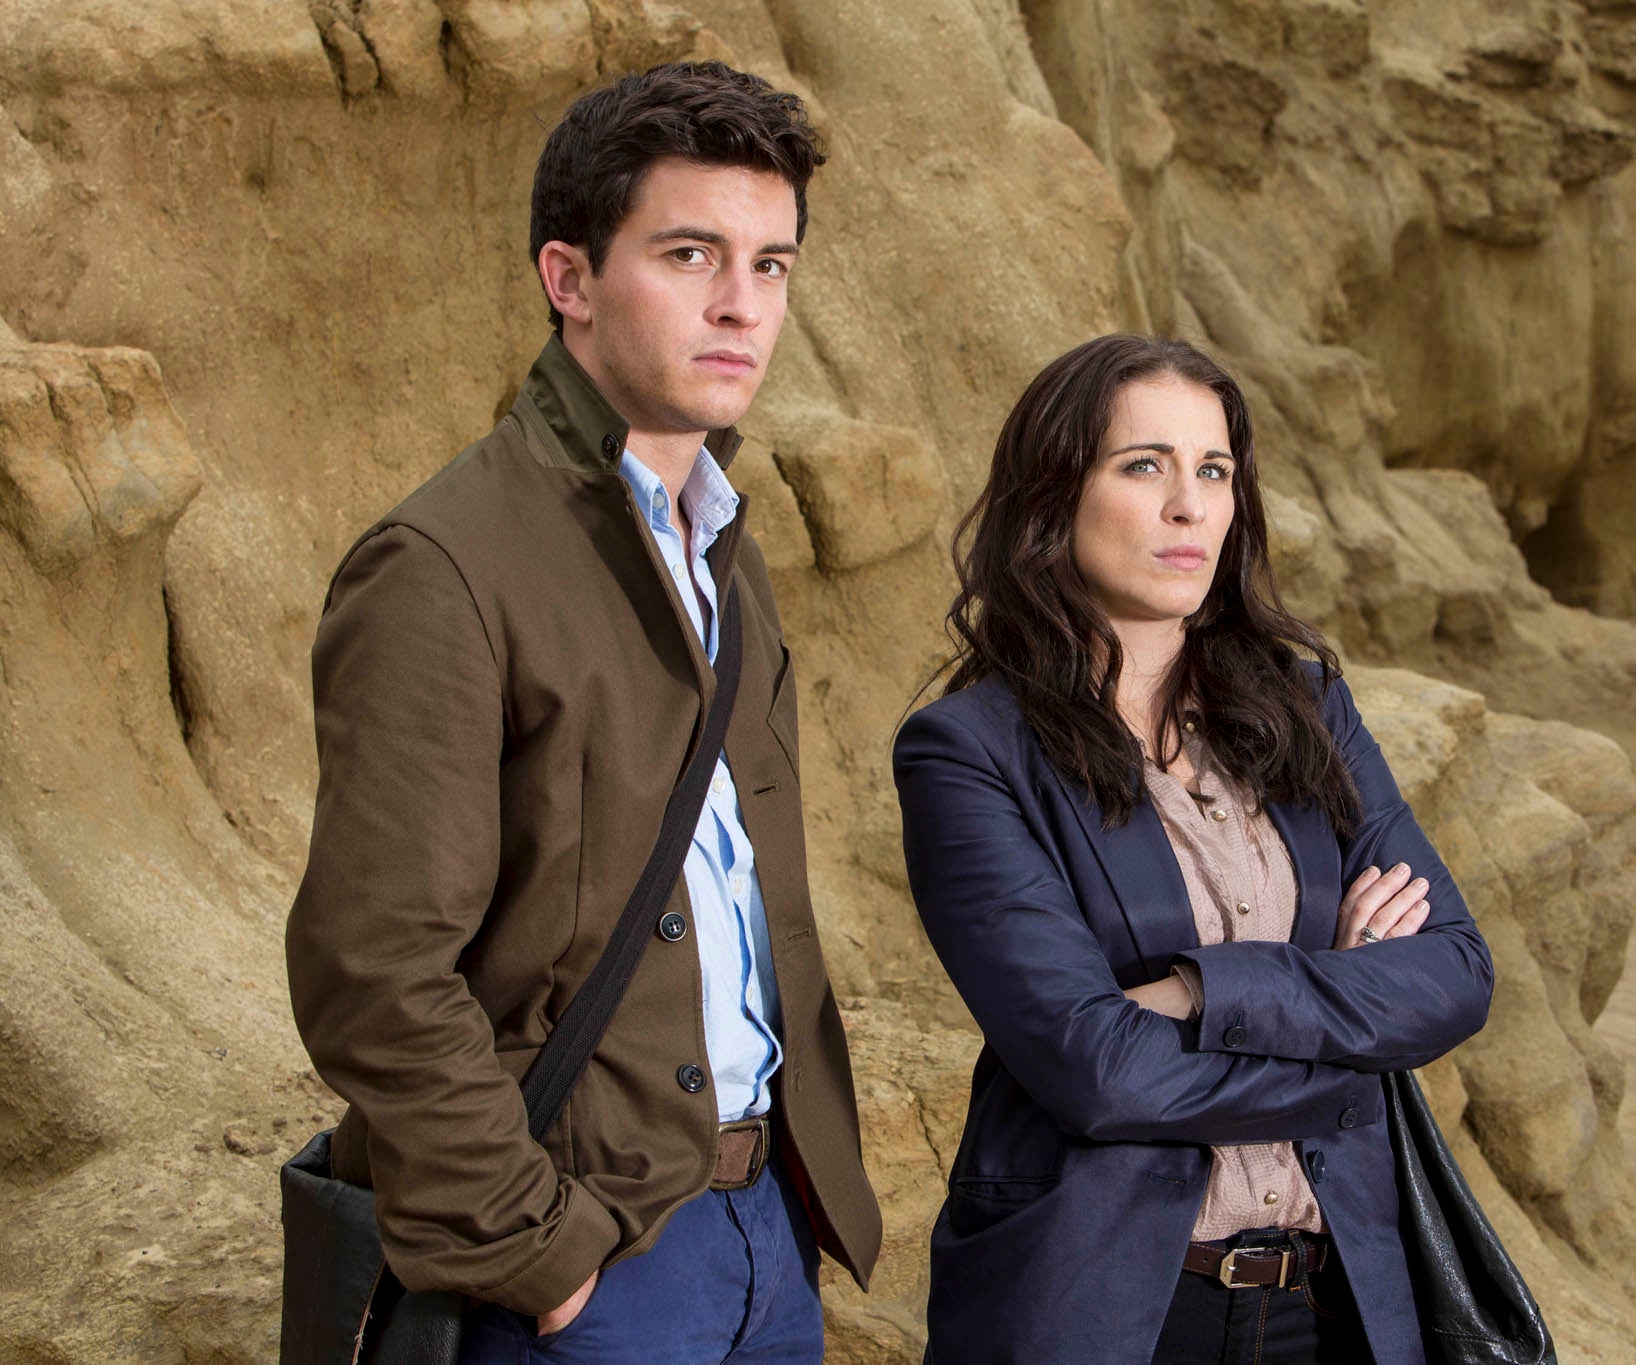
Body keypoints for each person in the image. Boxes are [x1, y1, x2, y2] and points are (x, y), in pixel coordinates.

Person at [285, 61, 881, 1363]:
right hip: (587, 1263)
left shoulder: (725, 551)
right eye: (689, 254)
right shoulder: (442, 565)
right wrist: (540, 1257)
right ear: (570, 278)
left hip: (765, 1231)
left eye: (771, 265)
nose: (741, 305)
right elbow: (372, 969)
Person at [893, 334, 1496, 1364]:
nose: (1190, 507)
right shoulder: (967, 752)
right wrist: (1347, 1039)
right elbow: (1096, 1070)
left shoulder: (1306, 706)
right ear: (1052, 497)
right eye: (1144, 467)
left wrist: (1196, 991)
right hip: (1101, 1306)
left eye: (1213, 471)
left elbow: (1455, 972)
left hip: (1331, 1302)